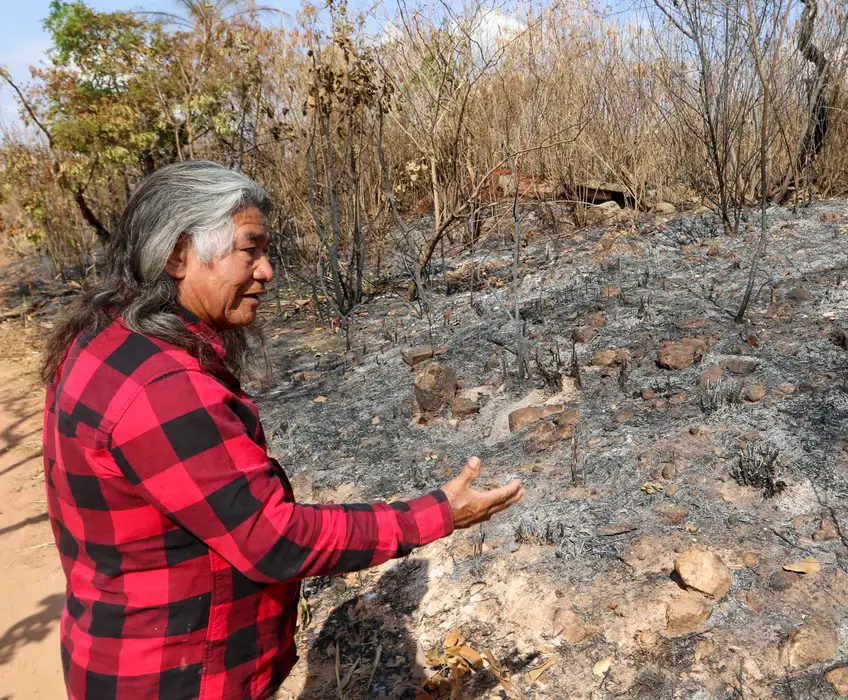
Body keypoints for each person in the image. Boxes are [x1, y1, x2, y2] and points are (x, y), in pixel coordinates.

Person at [39, 160, 524, 700]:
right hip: (178, 677)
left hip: (121, 654)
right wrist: (434, 515)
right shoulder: (162, 387)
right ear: (178, 254)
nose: (266, 271)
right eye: (250, 250)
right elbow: (272, 540)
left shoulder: (106, 337)